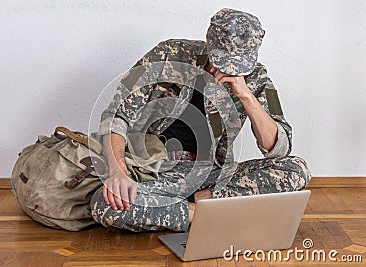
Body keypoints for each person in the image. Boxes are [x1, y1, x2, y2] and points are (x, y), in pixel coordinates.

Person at [90, 8, 311, 232]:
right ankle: (204, 214)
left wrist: (245, 95)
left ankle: (196, 205)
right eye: (223, 58)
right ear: (208, 39)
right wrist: (119, 172)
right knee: (104, 204)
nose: (229, 68)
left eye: (239, 62)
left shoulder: (257, 78)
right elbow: (115, 115)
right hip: (156, 171)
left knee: (296, 169)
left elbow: (278, 148)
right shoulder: (168, 54)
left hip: (212, 175)